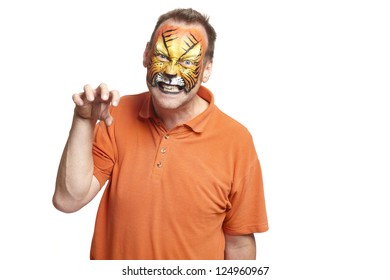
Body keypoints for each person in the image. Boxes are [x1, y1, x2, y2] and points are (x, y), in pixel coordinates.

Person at [53, 8, 268, 260]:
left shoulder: (236, 141)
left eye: (187, 62)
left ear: (207, 70)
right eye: (163, 57)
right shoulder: (117, 116)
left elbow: (240, 245)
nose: (171, 72)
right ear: (146, 55)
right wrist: (83, 120)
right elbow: (68, 200)